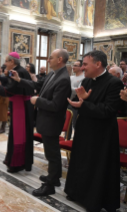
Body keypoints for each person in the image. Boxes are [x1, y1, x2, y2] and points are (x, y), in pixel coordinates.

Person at [65, 50, 123, 212]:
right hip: (84, 129)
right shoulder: (88, 80)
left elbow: (108, 110)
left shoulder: (114, 83)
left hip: (102, 134)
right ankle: (77, 193)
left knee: (96, 167)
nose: (82, 67)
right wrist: (81, 101)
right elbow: (78, 101)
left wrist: (84, 103)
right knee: (81, 162)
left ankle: (93, 200)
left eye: (85, 64)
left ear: (98, 64)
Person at [10, 49, 71, 196]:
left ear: (60, 59)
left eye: (51, 57)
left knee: (52, 154)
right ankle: (54, 177)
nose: (48, 60)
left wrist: (38, 100)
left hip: (52, 122)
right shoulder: (53, 74)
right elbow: (38, 86)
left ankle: (50, 185)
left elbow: (56, 105)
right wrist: (20, 80)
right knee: (50, 152)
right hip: (45, 120)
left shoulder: (63, 79)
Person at [0, 52, 35, 173]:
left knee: (19, 136)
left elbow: (10, 91)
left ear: (12, 62)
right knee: (15, 135)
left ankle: (17, 164)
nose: (4, 63)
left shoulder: (20, 72)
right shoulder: (16, 70)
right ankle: (13, 160)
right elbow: (8, 82)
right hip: (18, 105)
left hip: (21, 107)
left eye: (6, 61)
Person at [67, 60, 85, 138]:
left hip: (76, 103)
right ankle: (67, 138)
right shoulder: (71, 77)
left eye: (75, 65)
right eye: (73, 65)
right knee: (67, 124)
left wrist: (67, 87)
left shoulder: (84, 78)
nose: (73, 67)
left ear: (81, 67)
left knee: (75, 123)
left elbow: (78, 90)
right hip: (68, 101)